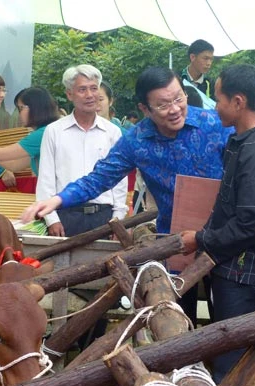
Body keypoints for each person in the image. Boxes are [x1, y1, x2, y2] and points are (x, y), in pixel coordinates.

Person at [22, 66, 233, 325]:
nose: (176, 108)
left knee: (230, 311)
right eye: (164, 104)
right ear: (145, 109)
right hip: (177, 239)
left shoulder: (215, 124)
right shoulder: (136, 141)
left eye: (179, 98)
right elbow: (100, 178)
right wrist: (57, 200)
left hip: (225, 233)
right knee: (179, 314)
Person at [179, 64, 255, 386]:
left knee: (235, 364)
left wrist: (203, 239)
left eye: (220, 99)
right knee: (232, 359)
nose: (215, 108)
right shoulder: (246, 141)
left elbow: (254, 221)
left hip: (241, 273)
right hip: (234, 269)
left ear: (238, 102)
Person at [35, 64, 128, 238]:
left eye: (94, 89)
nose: (90, 95)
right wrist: (51, 219)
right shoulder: (54, 131)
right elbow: (46, 178)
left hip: (104, 217)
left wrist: (118, 218)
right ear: (69, 94)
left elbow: (120, 182)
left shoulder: (112, 132)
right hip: (66, 216)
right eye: (82, 89)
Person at [181, 39, 216, 108]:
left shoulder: (211, 85)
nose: (209, 63)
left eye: (211, 59)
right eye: (205, 58)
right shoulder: (176, 78)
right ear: (192, 57)